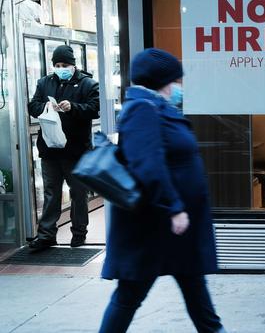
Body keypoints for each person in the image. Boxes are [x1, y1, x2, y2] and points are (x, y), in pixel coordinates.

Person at [99, 48, 226, 333]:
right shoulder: (142, 110)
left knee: (194, 287)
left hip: (172, 227)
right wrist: (174, 207)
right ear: (162, 81)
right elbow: (148, 164)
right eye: (177, 82)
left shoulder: (156, 107)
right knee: (130, 294)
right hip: (155, 226)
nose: (180, 88)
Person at [27, 45, 100, 250]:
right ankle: (46, 235)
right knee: (51, 193)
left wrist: (73, 107)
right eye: (57, 65)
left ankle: (79, 233)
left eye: (65, 65)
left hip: (76, 150)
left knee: (78, 193)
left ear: (73, 64)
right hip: (50, 149)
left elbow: (95, 109)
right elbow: (33, 106)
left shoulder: (88, 84)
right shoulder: (44, 83)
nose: (61, 68)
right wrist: (45, 107)